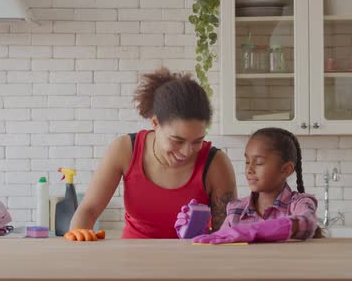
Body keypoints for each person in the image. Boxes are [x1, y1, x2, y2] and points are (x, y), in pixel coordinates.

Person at [68, 67, 237, 239]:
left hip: (193, 262)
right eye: (177, 140)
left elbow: (225, 234)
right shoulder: (125, 150)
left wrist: (199, 232)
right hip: (131, 259)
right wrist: (77, 237)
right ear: (155, 123)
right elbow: (89, 209)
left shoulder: (216, 164)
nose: (187, 151)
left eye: (197, 141)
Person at [187, 127, 320, 244]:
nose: (249, 169)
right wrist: (194, 230)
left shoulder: (299, 203)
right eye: (247, 161)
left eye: (259, 163)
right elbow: (221, 243)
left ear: (286, 169)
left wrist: (256, 230)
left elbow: (306, 221)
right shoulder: (235, 209)